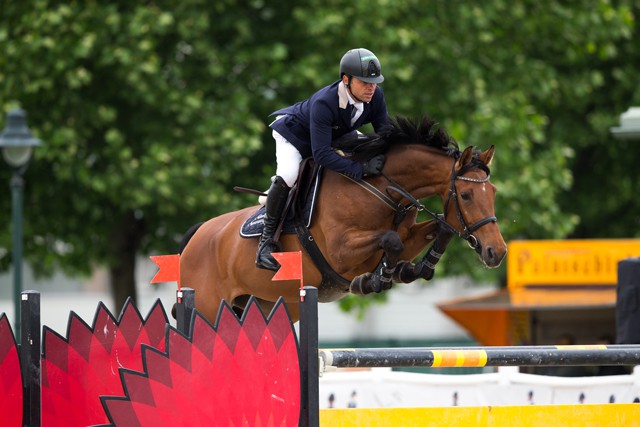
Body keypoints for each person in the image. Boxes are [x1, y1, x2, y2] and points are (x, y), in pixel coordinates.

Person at [256, 48, 390, 270]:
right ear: (346, 80)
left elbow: (385, 134)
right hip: (294, 134)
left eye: (374, 82)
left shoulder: (375, 96)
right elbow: (321, 154)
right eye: (365, 81)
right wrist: (361, 169)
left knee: (367, 144)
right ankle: (265, 245)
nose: (371, 87)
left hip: (332, 134)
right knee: (289, 175)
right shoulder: (325, 102)